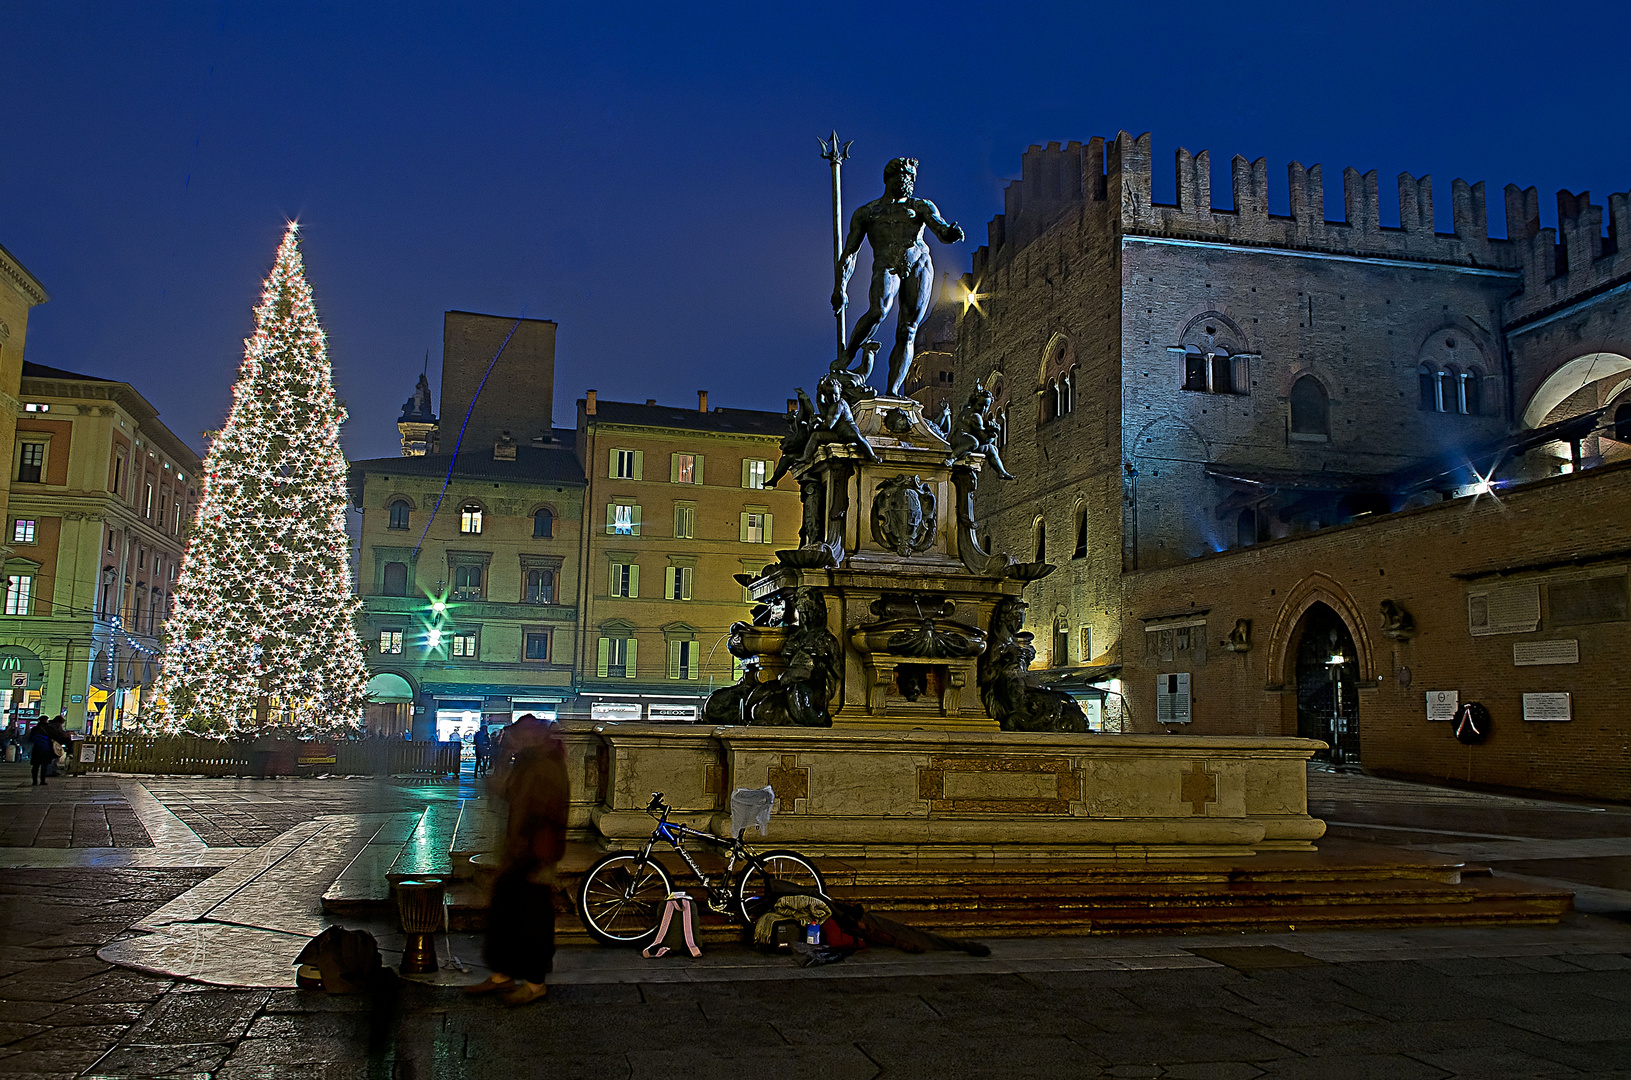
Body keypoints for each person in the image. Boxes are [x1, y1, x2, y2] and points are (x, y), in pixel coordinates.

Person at [832, 157, 964, 396]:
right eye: (903, 176)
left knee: (908, 329)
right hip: (886, 264)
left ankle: (893, 392)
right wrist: (840, 288)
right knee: (878, 310)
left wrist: (951, 233)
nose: (908, 182)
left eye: (911, 178)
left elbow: (941, 229)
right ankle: (847, 356)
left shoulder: (921, 206)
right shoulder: (867, 213)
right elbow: (849, 254)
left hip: (919, 265)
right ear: (889, 179)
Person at [463, 714, 568, 1006]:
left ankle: (535, 984)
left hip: (536, 850)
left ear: (531, 737)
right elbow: (506, 793)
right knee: (504, 911)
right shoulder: (527, 760)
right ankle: (502, 974)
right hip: (519, 847)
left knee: (532, 916)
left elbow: (548, 809)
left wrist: (532, 852)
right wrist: (503, 759)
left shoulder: (547, 763)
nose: (514, 740)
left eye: (518, 736)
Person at [28, 715, 70, 786]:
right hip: (46, 749)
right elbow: (56, 736)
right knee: (44, 766)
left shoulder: (35, 729)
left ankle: (34, 781)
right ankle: (42, 781)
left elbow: (31, 739)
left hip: (37, 749)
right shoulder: (49, 728)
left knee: (35, 766)